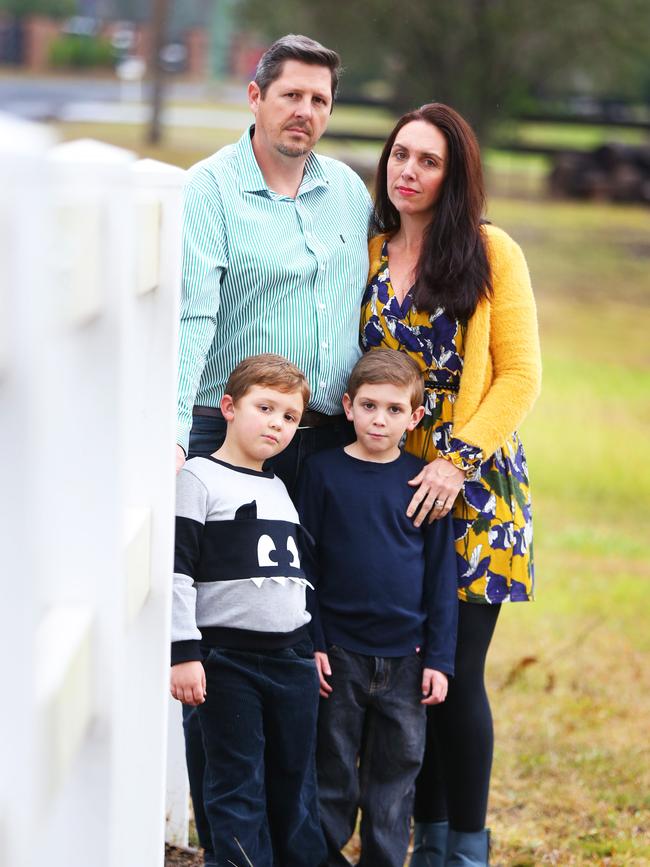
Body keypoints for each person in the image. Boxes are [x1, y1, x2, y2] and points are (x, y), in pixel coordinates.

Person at [176, 34, 372, 862]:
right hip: (230, 439)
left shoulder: (348, 192)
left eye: (321, 100)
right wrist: (169, 431)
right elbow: (191, 313)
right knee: (223, 647)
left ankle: (307, 841)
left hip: (324, 444)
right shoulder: (211, 188)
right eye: (292, 95)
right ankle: (232, 840)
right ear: (255, 96)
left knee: (309, 642)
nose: (306, 113)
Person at [361, 104, 542, 866]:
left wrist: (456, 458)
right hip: (392, 486)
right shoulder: (370, 248)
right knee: (409, 674)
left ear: (455, 173)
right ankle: (423, 843)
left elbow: (520, 375)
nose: (408, 169)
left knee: (456, 674)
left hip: (472, 491)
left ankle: (465, 848)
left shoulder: (492, 251)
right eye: (400, 154)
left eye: (428, 160)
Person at [296, 350, 459, 867]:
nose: (379, 420)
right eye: (369, 405)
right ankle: (321, 857)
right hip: (339, 656)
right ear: (348, 406)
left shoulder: (422, 483)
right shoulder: (322, 473)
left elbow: (440, 579)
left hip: (407, 660)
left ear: (414, 417)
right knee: (333, 772)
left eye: (393, 410)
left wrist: (439, 659)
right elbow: (305, 568)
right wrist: (316, 644)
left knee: (393, 782)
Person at [170, 354, 327, 867]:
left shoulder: (280, 488)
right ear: (229, 407)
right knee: (236, 782)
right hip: (227, 661)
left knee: (295, 782)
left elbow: (297, 580)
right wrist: (183, 652)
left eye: (289, 416)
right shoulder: (199, 478)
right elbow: (178, 571)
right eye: (266, 407)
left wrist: (310, 648)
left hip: (291, 660)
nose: (277, 424)